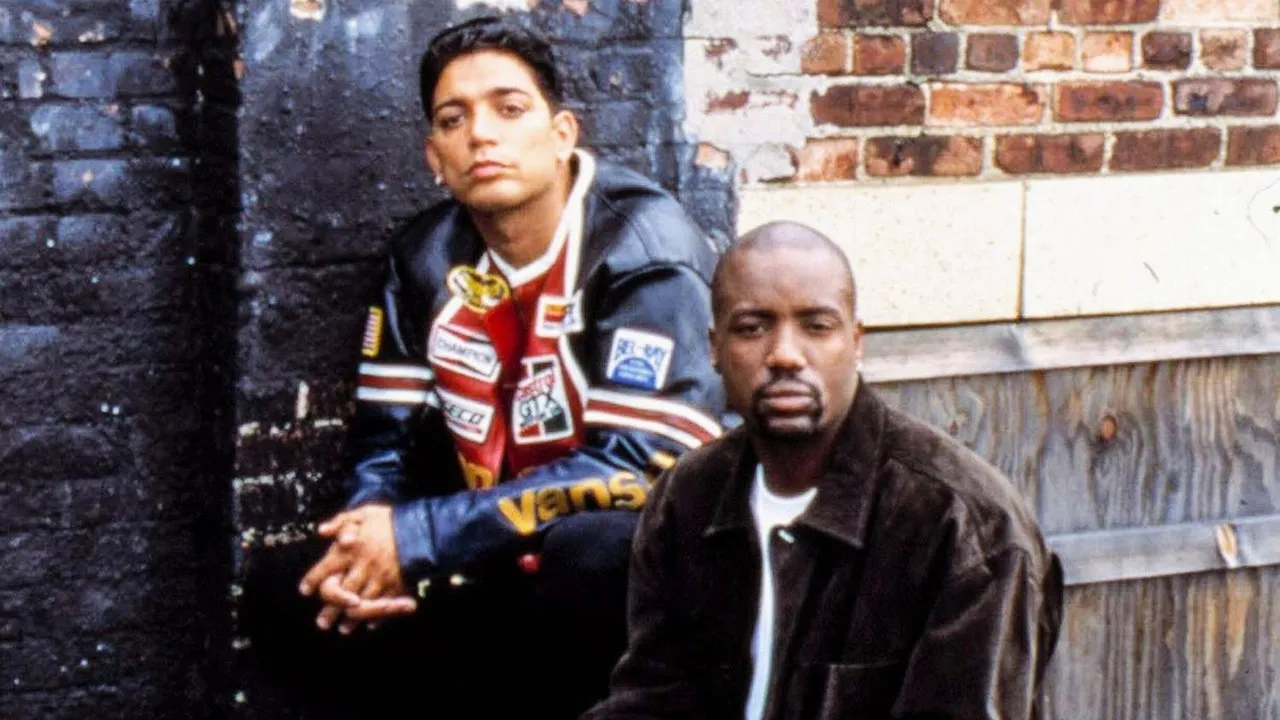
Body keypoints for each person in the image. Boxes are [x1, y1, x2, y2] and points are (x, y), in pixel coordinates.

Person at [290, 14, 724, 717]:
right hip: (492, 548)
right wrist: (367, 540)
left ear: (562, 134)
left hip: (649, 570)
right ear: (434, 156)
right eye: (453, 119)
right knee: (296, 591)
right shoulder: (423, 257)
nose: (481, 135)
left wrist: (420, 536)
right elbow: (384, 443)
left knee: (590, 553)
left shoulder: (644, 250)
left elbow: (638, 470)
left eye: (509, 109)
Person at [585, 221, 1064, 720]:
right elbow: (654, 697)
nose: (785, 355)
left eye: (816, 326)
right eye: (752, 328)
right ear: (714, 348)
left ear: (856, 343)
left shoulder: (963, 524)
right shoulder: (688, 496)